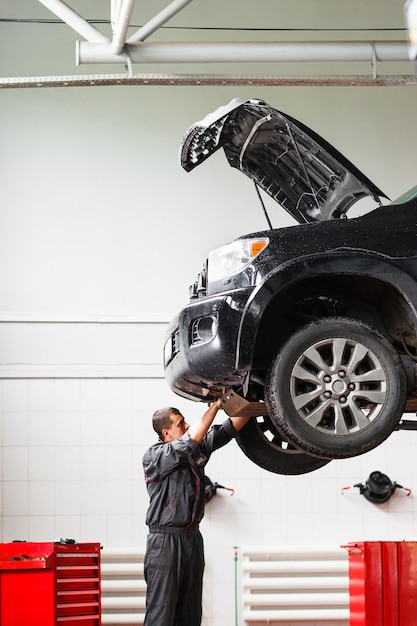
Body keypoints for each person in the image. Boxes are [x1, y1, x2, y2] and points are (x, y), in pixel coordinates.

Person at [142, 398, 251, 626]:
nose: (187, 425)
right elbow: (194, 437)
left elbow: (230, 428)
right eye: (181, 423)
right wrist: (216, 405)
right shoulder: (155, 456)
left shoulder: (194, 451)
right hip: (164, 542)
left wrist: (253, 402)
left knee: (190, 613)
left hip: (192, 539)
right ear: (167, 433)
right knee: (161, 614)